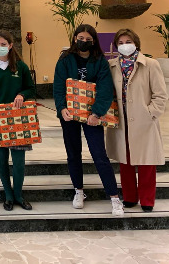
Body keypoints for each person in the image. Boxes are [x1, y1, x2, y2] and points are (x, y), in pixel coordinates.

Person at [53, 24, 124, 216]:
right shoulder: (65, 59)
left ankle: (114, 197)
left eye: (88, 39)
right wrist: (61, 109)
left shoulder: (100, 61)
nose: (84, 42)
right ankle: (78, 191)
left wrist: (97, 113)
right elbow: (58, 86)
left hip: (92, 116)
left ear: (94, 41)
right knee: (73, 153)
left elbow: (105, 88)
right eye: (80, 38)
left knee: (99, 154)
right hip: (70, 115)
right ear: (75, 38)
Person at [106, 29, 167, 212]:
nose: (125, 45)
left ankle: (147, 200)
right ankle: (130, 197)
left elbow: (160, 95)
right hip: (121, 120)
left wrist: (150, 114)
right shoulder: (111, 66)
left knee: (147, 161)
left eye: (128, 41)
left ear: (136, 43)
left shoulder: (150, 64)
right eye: (121, 42)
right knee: (125, 160)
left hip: (143, 121)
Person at [0, 30, 35, 211]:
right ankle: (8, 195)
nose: (0, 48)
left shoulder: (21, 67)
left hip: (18, 118)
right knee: (1, 158)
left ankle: (18, 194)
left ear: (10, 46)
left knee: (18, 160)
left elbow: (30, 89)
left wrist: (22, 94)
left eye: (3, 44)